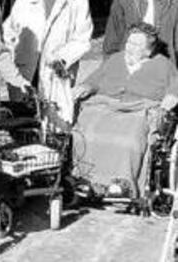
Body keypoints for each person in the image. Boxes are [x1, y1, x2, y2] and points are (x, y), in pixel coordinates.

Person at [72, 23, 178, 198]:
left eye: (136, 45)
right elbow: (95, 79)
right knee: (84, 134)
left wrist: (172, 97)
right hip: (104, 106)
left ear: (148, 51)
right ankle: (84, 179)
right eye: (129, 43)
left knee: (128, 139)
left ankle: (122, 183)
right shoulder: (115, 59)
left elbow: (175, 85)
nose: (129, 48)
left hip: (139, 110)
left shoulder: (163, 65)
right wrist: (85, 86)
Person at [3, 0, 93, 124]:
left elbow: (82, 38)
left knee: (55, 120)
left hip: (55, 68)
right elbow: (10, 27)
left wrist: (62, 58)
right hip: (26, 65)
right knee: (23, 118)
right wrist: (11, 49)